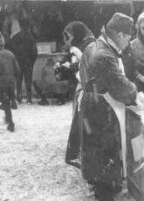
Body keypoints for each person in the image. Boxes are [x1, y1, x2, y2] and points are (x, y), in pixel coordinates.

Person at [78, 13, 137, 201]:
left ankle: (104, 189)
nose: (129, 40)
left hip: (93, 103)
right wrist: (135, 93)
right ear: (119, 34)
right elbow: (121, 87)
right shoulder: (105, 55)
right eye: (128, 36)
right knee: (107, 150)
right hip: (102, 107)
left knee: (96, 151)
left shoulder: (95, 45)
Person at [64, 21, 96, 166]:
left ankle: (79, 153)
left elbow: (88, 64)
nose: (68, 39)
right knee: (80, 118)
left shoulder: (89, 43)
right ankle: (79, 152)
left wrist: (72, 62)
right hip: (82, 85)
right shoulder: (82, 42)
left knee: (84, 119)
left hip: (87, 87)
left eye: (70, 35)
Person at [0, 31, 20, 132]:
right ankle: (13, 100)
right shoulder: (10, 54)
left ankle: (10, 122)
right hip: (10, 82)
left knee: (4, 102)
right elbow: (17, 70)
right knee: (7, 99)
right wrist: (14, 78)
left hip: (0, 83)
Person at [6, 18, 38, 104]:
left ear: (20, 26)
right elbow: (34, 51)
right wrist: (32, 61)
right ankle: (29, 98)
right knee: (28, 80)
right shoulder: (31, 37)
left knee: (18, 80)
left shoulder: (15, 37)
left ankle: (19, 97)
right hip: (28, 62)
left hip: (18, 62)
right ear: (27, 26)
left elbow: (9, 48)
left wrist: (14, 59)